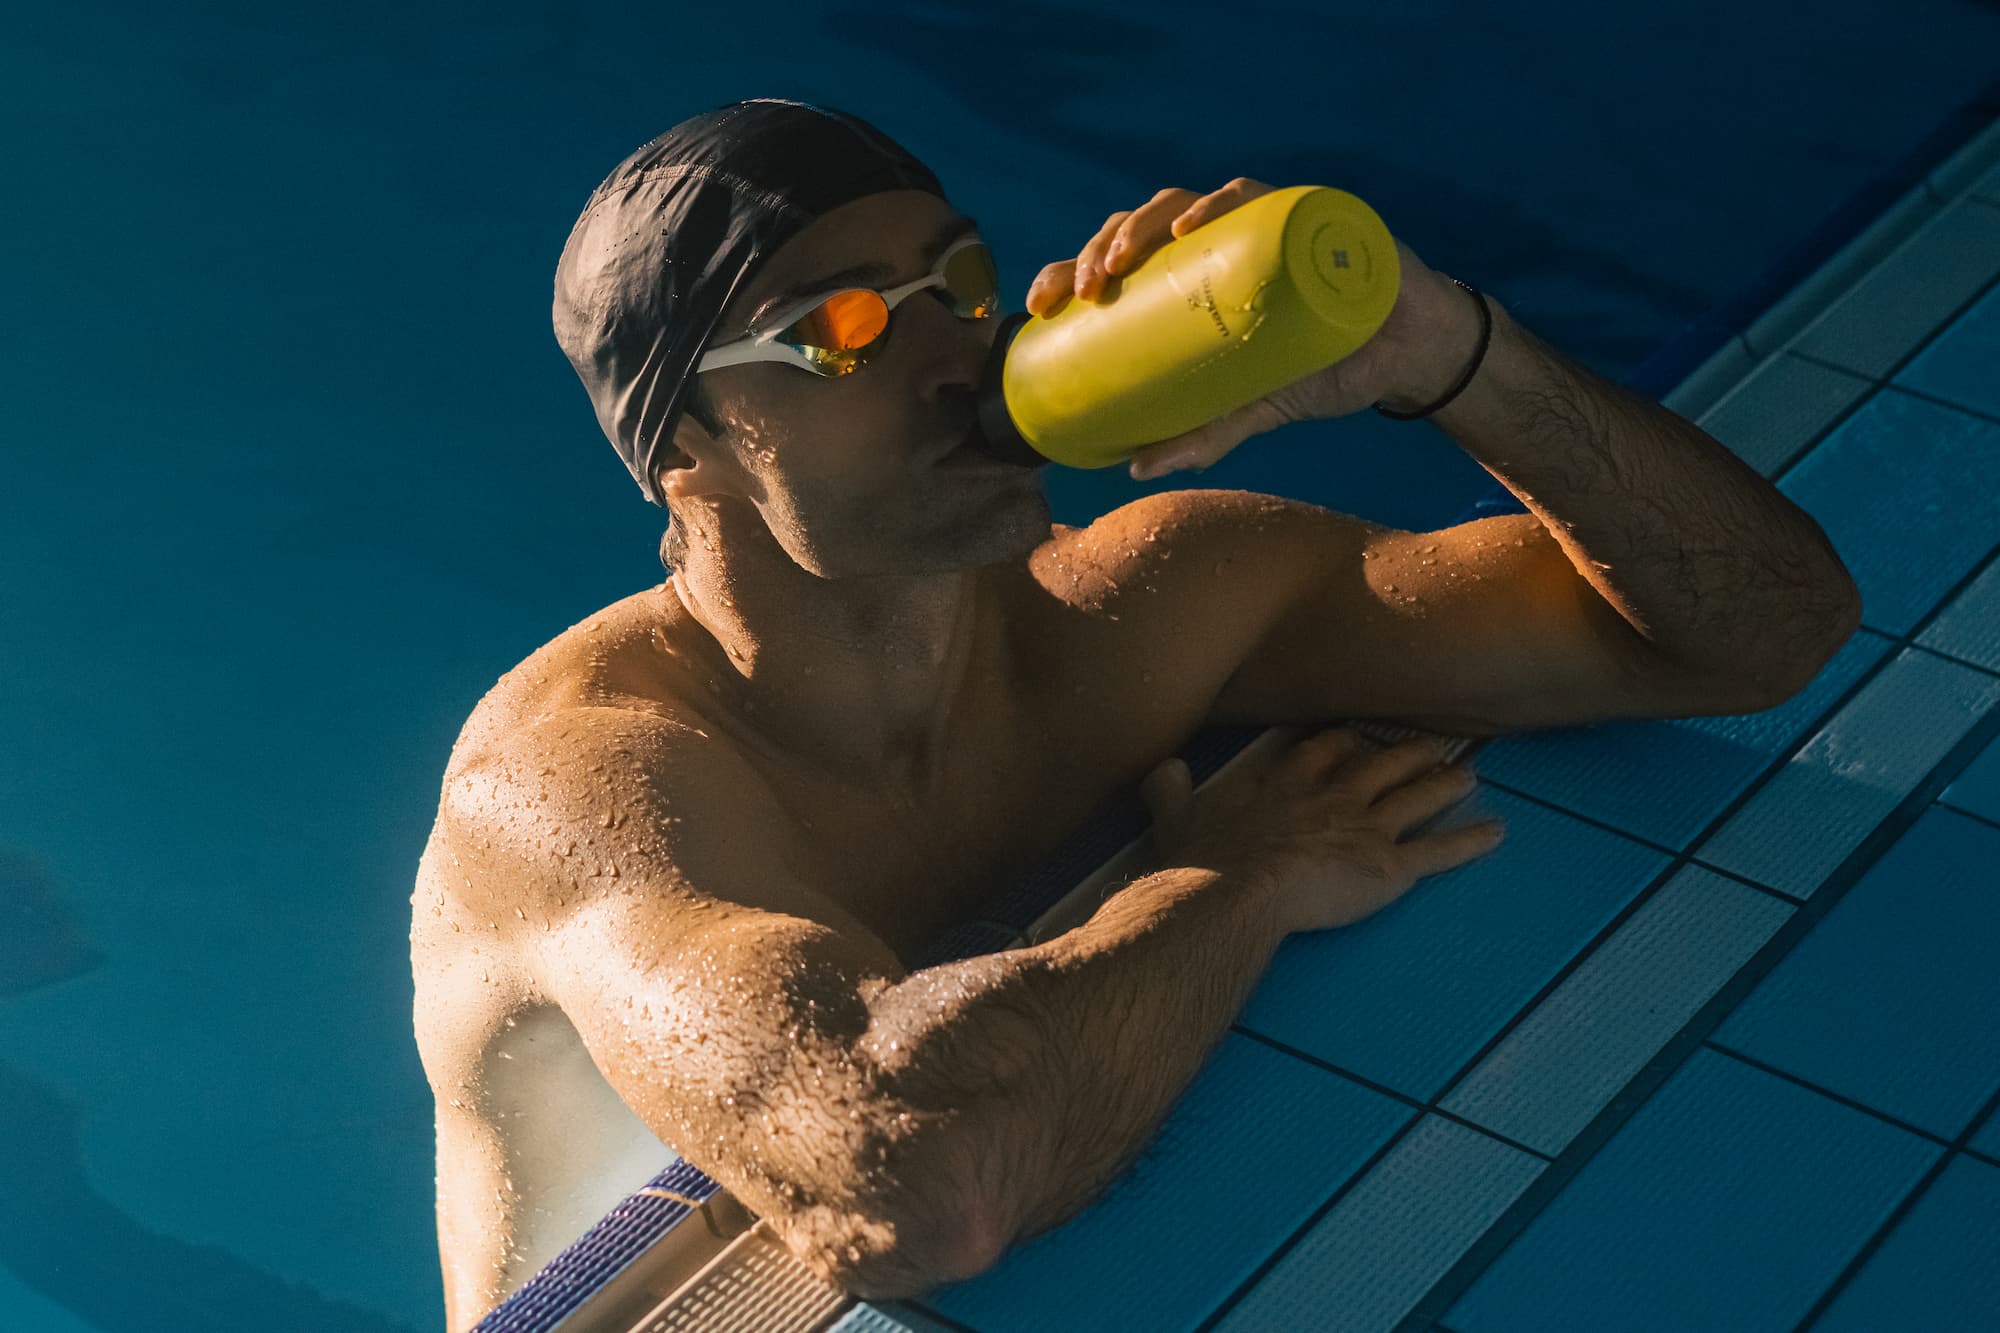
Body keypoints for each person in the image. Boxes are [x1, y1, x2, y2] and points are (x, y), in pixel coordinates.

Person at [410, 98, 1861, 1330]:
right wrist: (1228, 877)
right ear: (686, 445)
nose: (952, 358)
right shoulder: (577, 783)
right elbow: (923, 1186)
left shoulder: (1150, 599)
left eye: (959, 286)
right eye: (844, 330)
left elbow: (1761, 632)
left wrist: (1443, 353)